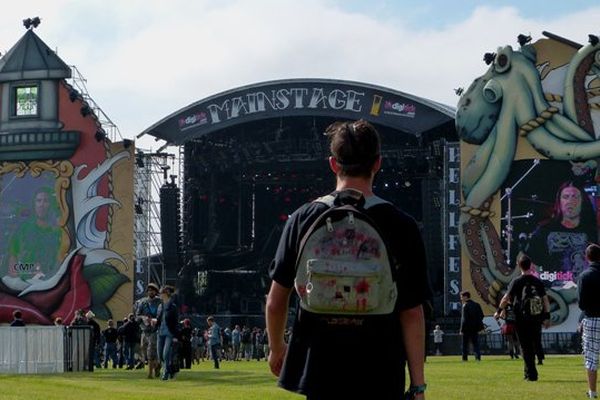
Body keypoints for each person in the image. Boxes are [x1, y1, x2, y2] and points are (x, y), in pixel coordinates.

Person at [266, 120, 429, 399]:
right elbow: (412, 313)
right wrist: (417, 385)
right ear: (377, 164)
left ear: (333, 164)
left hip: (319, 371)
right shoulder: (402, 225)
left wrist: (277, 348)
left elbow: (275, 301)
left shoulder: (302, 219)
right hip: (381, 372)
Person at [495, 254, 550, 381]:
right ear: (530, 265)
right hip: (536, 317)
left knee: (525, 346)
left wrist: (498, 311)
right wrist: (547, 316)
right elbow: (545, 300)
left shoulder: (516, 281)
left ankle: (531, 374)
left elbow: (506, 298)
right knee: (533, 343)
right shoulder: (538, 282)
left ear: (518, 265)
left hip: (521, 318)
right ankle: (528, 372)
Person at [527, 181, 598, 280]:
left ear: (582, 201)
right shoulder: (544, 231)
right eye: (566, 197)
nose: (570, 201)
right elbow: (532, 264)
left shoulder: (593, 232)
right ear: (559, 201)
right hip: (553, 291)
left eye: (575, 197)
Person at [7, 187, 62, 280]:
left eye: (46, 201)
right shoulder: (23, 229)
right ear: (34, 204)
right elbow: (13, 262)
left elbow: (60, 262)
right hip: (24, 282)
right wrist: (32, 270)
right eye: (38, 201)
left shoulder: (58, 232)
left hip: (51, 281)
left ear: (51, 204)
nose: (41, 205)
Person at [578, 243, 600, 398]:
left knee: (591, 357)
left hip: (592, 319)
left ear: (587, 257)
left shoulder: (584, 276)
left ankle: (592, 393)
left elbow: (581, 304)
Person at [135, 283, 162, 369]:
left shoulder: (160, 302)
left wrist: (156, 320)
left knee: (152, 349)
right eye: (149, 290)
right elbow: (137, 315)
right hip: (145, 329)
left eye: (153, 290)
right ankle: (155, 364)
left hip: (155, 330)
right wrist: (143, 318)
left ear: (156, 292)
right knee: (143, 348)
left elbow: (162, 315)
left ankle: (155, 365)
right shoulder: (143, 302)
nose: (151, 292)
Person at [156, 285, 179, 380]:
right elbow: (158, 319)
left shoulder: (173, 307)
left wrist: (175, 336)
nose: (159, 295)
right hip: (160, 332)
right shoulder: (160, 306)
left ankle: (165, 373)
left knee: (165, 354)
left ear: (166, 294)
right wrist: (153, 321)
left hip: (169, 333)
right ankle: (170, 370)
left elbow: (175, 322)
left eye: (161, 293)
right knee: (160, 355)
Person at [459, 291, 484, 361]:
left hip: (467, 328)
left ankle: (464, 358)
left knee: (465, 344)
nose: (461, 299)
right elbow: (482, 315)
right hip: (475, 328)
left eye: (461, 297)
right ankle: (478, 357)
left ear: (465, 297)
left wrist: (461, 330)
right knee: (475, 343)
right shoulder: (477, 305)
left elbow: (464, 319)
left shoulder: (465, 306)